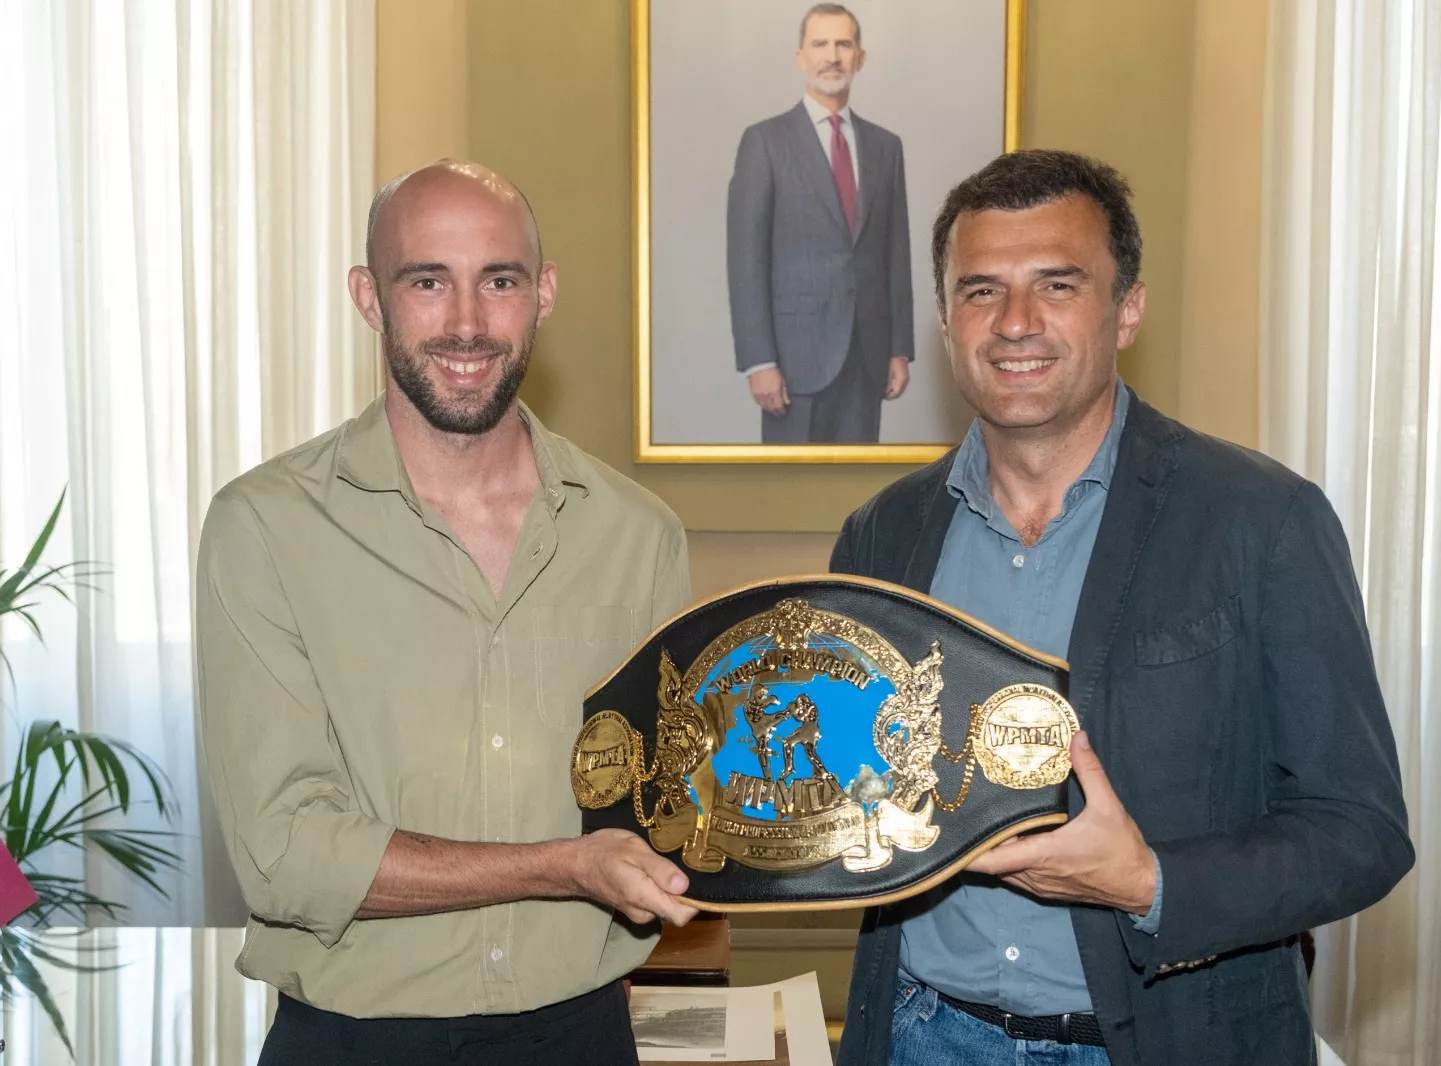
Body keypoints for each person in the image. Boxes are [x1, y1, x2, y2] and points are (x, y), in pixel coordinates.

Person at [830, 150, 1413, 1065]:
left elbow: (1363, 831)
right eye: (981, 291)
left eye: (1057, 284)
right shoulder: (880, 537)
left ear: (1127, 308)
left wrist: (1149, 881)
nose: (1015, 322)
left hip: (1172, 1040)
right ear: (945, 320)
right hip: (921, 1033)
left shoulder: (1265, 522)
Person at [195, 161, 697, 1065]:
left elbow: (666, 804)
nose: (467, 322)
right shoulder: (263, 528)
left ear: (541, 294)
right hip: (350, 1043)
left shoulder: (640, 535)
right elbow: (285, 854)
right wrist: (560, 868)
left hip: (583, 1034)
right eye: (427, 280)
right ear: (368, 297)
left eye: (498, 280)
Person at [727, 2, 914, 444]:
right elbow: (746, 260)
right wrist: (759, 362)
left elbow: (896, 253)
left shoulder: (886, 147)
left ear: (860, 57)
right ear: (801, 57)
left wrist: (899, 348)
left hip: (867, 356)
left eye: (843, 44)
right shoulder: (764, 142)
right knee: (788, 499)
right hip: (792, 363)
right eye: (820, 44)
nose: (832, 55)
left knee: (859, 501)